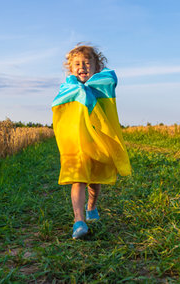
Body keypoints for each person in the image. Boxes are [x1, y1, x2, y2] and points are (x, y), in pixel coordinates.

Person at [51, 44, 131, 239]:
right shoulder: (68, 89)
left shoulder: (102, 86)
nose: (82, 67)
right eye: (77, 64)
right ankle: (79, 221)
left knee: (94, 181)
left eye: (87, 63)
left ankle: (91, 207)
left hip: (96, 143)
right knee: (78, 179)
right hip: (76, 143)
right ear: (70, 69)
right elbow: (60, 112)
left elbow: (111, 82)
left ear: (97, 67)